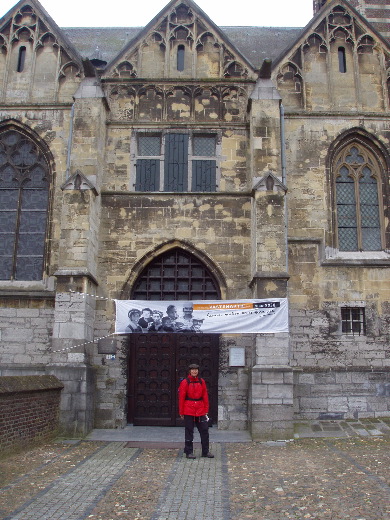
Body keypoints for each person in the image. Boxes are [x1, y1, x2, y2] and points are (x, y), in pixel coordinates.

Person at [178, 363, 214, 459]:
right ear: (190, 371)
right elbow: (181, 397)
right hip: (189, 409)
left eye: (196, 370)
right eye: (193, 370)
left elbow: (205, 396)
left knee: (204, 430)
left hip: (200, 409)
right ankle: (189, 451)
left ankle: (205, 451)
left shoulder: (201, 382)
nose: (194, 371)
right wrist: (181, 412)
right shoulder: (185, 382)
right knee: (189, 431)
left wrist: (206, 409)